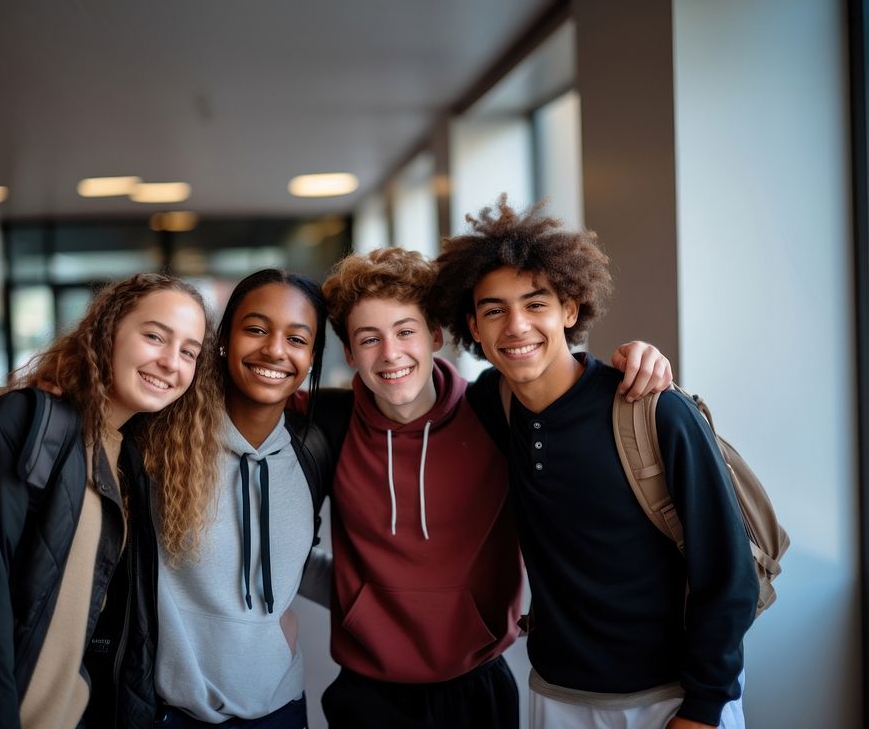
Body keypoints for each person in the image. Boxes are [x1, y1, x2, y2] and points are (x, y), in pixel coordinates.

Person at [298, 246, 674, 729]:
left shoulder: (494, 411)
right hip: (367, 690)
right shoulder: (328, 422)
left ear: (435, 335)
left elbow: (562, 383)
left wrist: (640, 356)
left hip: (478, 683)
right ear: (349, 353)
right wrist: (359, 604)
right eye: (368, 340)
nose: (390, 354)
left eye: (406, 331)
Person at [429, 199, 759, 729]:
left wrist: (702, 708)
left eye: (536, 304)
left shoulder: (654, 410)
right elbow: (413, 394)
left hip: (673, 698)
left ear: (570, 309)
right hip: (556, 693)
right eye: (494, 310)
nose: (516, 326)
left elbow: (728, 573)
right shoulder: (494, 403)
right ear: (473, 325)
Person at [0, 272, 221, 729]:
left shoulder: (127, 458)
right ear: (108, 331)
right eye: (155, 336)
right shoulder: (30, 426)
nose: (171, 362)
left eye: (189, 352)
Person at [144, 268, 332, 729]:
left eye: (297, 338)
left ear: (311, 358)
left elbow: (292, 563)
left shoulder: (313, 449)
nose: (274, 350)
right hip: (169, 711)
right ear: (224, 339)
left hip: (280, 707)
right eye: (256, 329)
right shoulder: (159, 438)